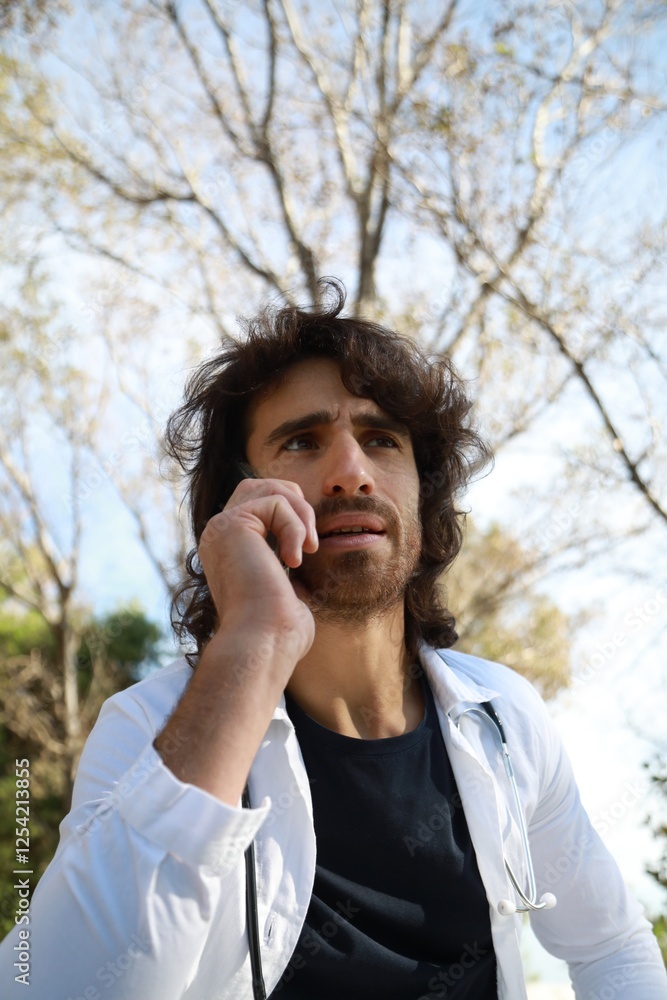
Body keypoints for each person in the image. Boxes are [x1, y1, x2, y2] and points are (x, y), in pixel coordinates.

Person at [1, 280, 665, 1000]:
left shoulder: (506, 717)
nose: (350, 472)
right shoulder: (148, 731)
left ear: (421, 491)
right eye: (302, 442)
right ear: (237, 500)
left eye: (381, 440)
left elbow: (612, 950)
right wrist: (255, 639)